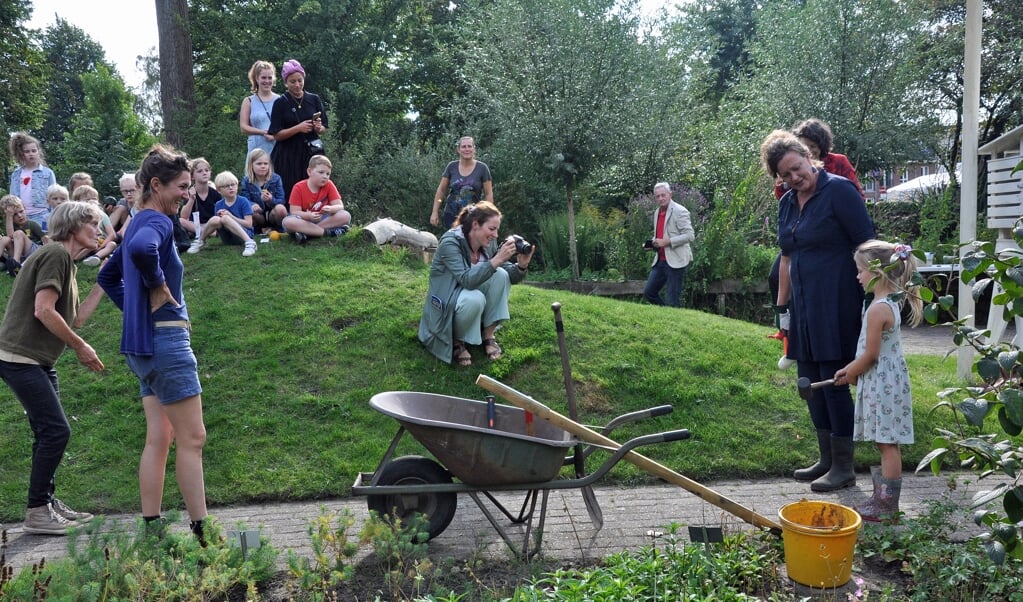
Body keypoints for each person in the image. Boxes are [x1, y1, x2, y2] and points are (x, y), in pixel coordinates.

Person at [97, 144, 210, 544]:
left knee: (160, 437)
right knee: (193, 438)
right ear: (156, 185)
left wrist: (135, 309)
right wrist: (158, 288)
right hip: (166, 343)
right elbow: (146, 253)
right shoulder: (157, 223)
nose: (186, 193)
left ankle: (153, 530)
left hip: (143, 347)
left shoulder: (135, 224)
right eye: (181, 186)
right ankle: (203, 535)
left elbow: (108, 278)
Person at [760, 129, 875, 493]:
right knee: (808, 383)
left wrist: (874, 298)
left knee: (833, 380)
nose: (795, 177)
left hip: (838, 301)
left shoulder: (839, 191)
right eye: (785, 175)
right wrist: (782, 308)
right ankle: (826, 458)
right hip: (804, 306)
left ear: (809, 157)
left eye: (797, 167)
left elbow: (867, 244)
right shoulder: (787, 203)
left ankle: (844, 466)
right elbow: (787, 258)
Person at [0, 201, 106, 535]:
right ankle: (36, 512)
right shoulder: (55, 255)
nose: (99, 230)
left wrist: (105, 281)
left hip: (39, 360)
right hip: (19, 357)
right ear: (74, 226)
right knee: (57, 431)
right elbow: (43, 311)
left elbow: (75, 319)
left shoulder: (67, 264)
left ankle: (46, 503)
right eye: (93, 224)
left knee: (48, 433)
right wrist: (80, 347)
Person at [834, 240, 922, 522]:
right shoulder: (885, 303)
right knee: (885, 442)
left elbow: (871, 355)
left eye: (860, 271)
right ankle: (882, 498)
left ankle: (886, 506)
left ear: (876, 271)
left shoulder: (878, 309)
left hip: (883, 382)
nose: (857, 277)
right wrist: (853, 371)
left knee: (887, 443)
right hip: (885, 381)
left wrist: (850, 370)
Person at [418, 201, 534, 366]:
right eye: (492, 229)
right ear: (475, 225)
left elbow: (507, 274)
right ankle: (457, 341)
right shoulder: (450, 243)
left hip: (465, 294)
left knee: (500, 275)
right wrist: (498, 259)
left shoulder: (487, 242)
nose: (495, 235)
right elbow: (467, 280)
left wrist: (522, 265)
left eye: (497, 230)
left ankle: (488, 335)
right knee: (475, 298)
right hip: (447, 299)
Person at [268, 59, 326, 202]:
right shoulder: (280, 103)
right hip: (288, 155)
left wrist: (319, 127)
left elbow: (324, 127)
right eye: (292, 81)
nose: (297, 85)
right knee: (291, 190)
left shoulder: (314, 99)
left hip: (311, 152)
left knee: (314, 187)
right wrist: (298, 128)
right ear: (286, 83)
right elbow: (276, 135)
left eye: (300, 80)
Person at [642, 182, 695, 308]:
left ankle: (674, 322)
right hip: (660, 260)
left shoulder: (680, 211)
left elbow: (690, 236)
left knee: (672, 301)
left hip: (676, 261)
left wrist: (668, 242)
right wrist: (653, 243)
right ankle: (667, 315)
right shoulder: (656, 212)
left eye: (663, 195)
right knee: (649, 293)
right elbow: (660, 235)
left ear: (670, 194)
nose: (660, 198)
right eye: (657, 196)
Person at [281, 155, 351, 244]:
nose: (325, 176)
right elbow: (294, 212)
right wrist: (309, 216)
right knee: (287, 222)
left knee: (345, 215)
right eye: (321, 172)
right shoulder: (298, 187)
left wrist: (331, 209)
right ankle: (328, 233)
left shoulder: (329, 184)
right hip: (304, 221)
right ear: (309, 171)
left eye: (328, 174)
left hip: (324, 219)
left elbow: (340, 206)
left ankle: (307, 234)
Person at [187, 171, 257, 257]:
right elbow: (217, 224)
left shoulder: (243, 201)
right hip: (227, 238)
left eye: (233, 184)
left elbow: (249, 224)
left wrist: (230, 216)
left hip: (244, 235)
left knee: (225, 218)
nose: (231, 188)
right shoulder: (218, 204)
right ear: (219, 190)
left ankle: (250, 243)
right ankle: (201, 241)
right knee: (216, 219)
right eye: (227, 186)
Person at [430, 136, 494, 229]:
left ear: (474, 149)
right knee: (453, 242)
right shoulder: (451, 166)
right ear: (458, 149)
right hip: (451, 215)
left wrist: (488, 216)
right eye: (463, 147)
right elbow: (441, 190)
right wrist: (435, 211)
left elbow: (488, 194)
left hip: (473, 216)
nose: (466, 149)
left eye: (469, 146)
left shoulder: (482, 168)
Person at [8, 132, 58, 230]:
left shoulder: (47, 173)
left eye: (34, 151)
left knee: (44, 240)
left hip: (43, 215)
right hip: (22, 216)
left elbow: (55, 195)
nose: (31, 154)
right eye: (27, 152)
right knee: (25, 241)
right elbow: (12, 196)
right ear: (21, 154)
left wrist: (54, 215)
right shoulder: (16, 174)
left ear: (38, 152)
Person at [240, 148, 287, 233]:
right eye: (259, 164)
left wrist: (271, 200)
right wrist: (252, 205)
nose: (263, 166)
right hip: (258, 215)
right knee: (248, 210)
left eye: (266, 163)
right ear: (251, 165)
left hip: (272, 214)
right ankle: (257, 230)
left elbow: (282, 200)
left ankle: (279, 229)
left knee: (281, 209)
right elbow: (244, 199)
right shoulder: (246, 180)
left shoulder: (276, 178)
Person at [239, 60, 280, 158]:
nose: (267, 81)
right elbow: (244, 128)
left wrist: (275, 135)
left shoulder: (280, 100)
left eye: (270, 78)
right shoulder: (248, 101)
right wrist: (263, 132)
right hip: (256, 150)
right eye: (263, 78)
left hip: (277, 149)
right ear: (257, 79)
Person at [71, 185, 118, 266]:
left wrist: (101, 246)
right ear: (77, 202)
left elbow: (112, 234)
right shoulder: (77, 217)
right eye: (88, 199)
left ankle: (96, 257)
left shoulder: (102, 215)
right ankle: (74, 259)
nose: (92, 201)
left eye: (94, 199)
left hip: (102, 242)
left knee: (112, 244)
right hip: (86, 244)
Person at [2, 194, 47, 277]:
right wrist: (9, 216)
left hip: (34, 252)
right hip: (20, 254)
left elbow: (45, 238)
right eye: (15, 214)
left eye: (21, 211)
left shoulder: (32, 224)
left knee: (18, 233)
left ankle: (15, 264)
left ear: (25, 209)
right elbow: (10, 236)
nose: (19, 216)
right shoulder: (11, 226)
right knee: (5, 239)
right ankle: (14, 264)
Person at [179, 158, 221, 239]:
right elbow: (183, 216)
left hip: (211, 224)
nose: (204, 173)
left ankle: (201, 233)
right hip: (195, 224)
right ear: (192, 176)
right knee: (181, 221)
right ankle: (206, 233)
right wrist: (191, 199)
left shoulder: (215, 193)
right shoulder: (189, 192)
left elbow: (219, 215)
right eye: (200, 171)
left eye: (206, 170)